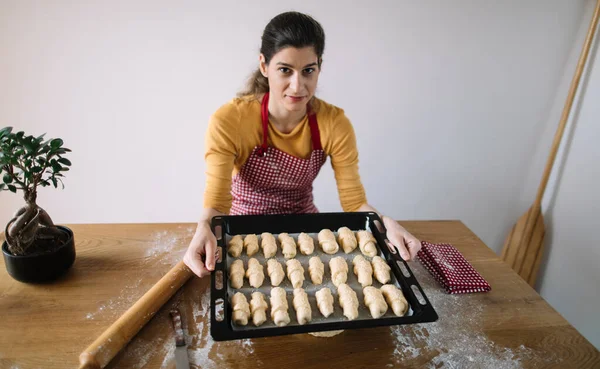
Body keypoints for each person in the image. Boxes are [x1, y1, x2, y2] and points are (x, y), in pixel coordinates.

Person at [184, 11, 421, 278]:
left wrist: (384, 222)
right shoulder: (231, 120)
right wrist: (204, 226)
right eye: (285, 70)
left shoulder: (334, 123)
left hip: (305, 230)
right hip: (241, 230)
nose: (298, 87)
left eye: (308, 71)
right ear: (264, 65)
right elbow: (217, 202)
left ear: (319, 66)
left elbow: (354, 203)